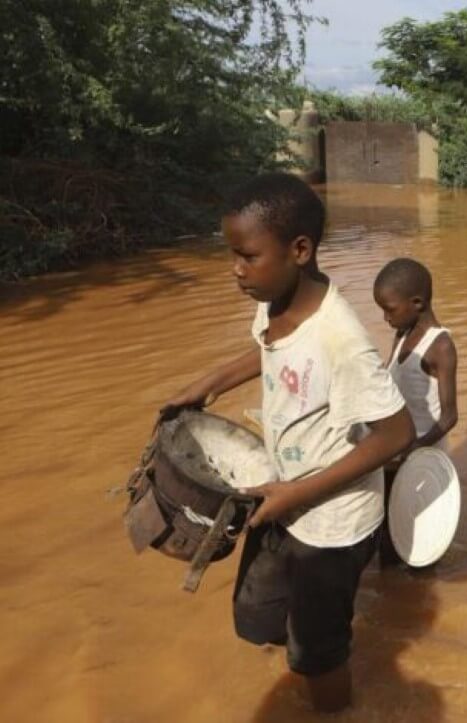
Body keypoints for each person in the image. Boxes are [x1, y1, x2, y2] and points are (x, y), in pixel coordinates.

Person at [162, 172, 415, 713]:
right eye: (232, 253)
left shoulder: (341, 339)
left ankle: (333, 705)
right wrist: (205, 384)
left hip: (332, 521)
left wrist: (296, 495)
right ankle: (302, 645)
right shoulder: (274, 299)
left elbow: (398, 434)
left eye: (247, 256)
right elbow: (268, 348)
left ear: (300, 250)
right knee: (255, 620)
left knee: (318, 654)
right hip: (282, 494)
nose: (236, 269)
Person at [374, 258, 459, 455]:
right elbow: (389, 382)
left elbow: (449, 417)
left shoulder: (440, 346)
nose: (386, 318)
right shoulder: (402, 334)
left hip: (425, 451)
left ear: (417, 303)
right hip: (397, 444)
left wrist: (414, 447)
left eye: (390, 309)